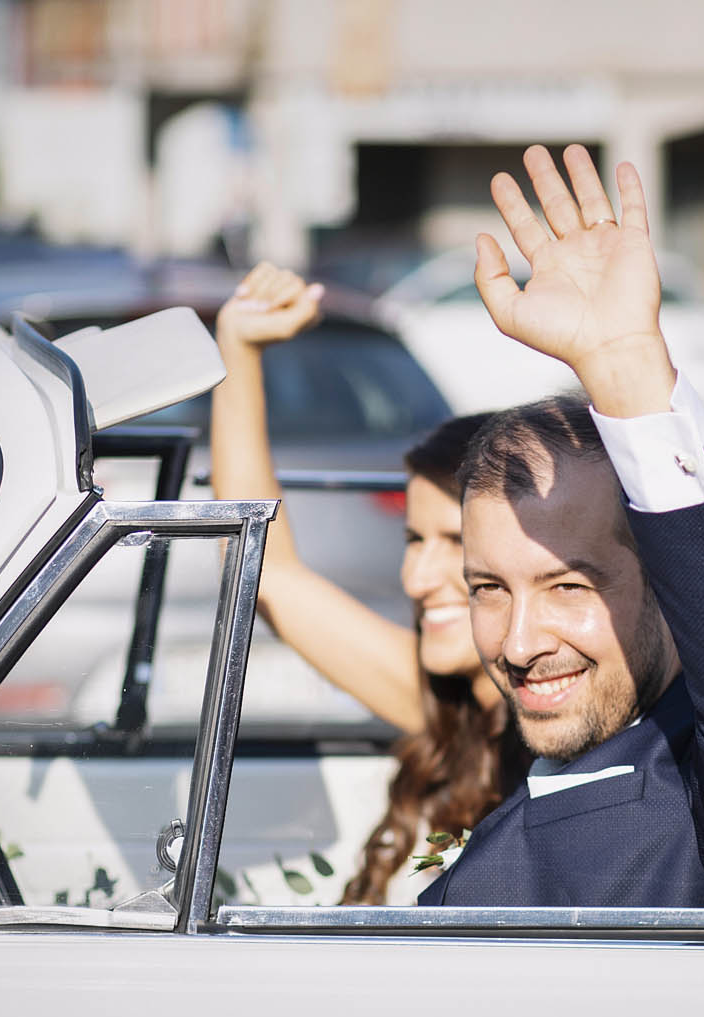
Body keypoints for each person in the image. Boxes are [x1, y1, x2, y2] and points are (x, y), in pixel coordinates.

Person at [418, 144, 704, 911]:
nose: (517, 641)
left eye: (569, 584)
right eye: (489, 588)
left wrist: (627, 367)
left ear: (675, 587)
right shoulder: (518, 800)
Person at [209, 266, 527, 904]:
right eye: (412, 540)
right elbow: (263, 572)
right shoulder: (451, 704)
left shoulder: (570, 732)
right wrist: (237, 351)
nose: (416, 577)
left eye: (457, 546)